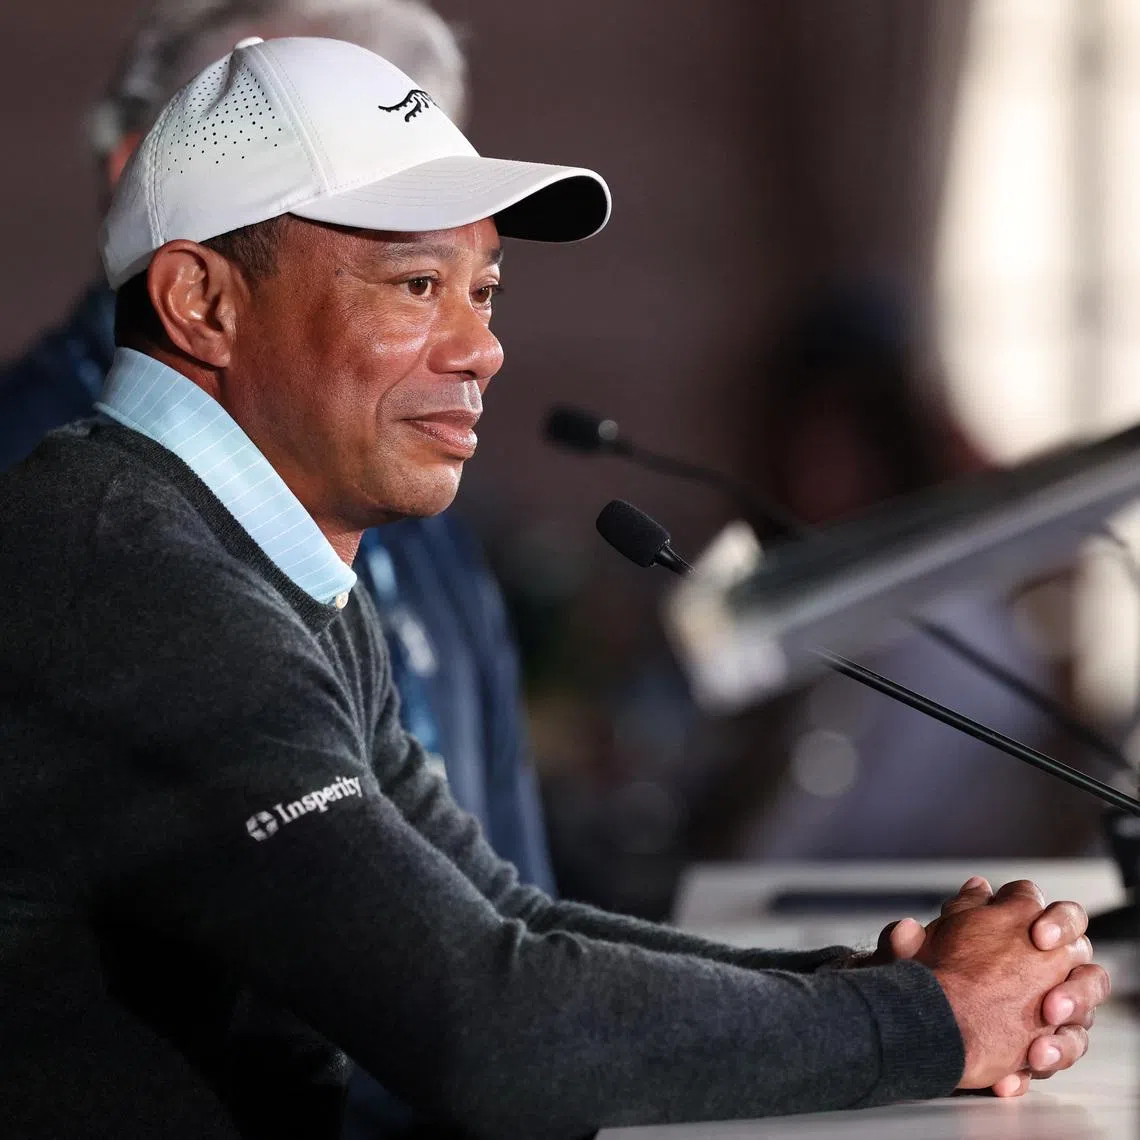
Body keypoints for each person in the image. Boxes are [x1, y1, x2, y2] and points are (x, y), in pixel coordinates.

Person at [0, 35, 1110, 1140]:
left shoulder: (241, 545)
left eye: (484, 289)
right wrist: (926, 1019)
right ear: (203, 301)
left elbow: (504, 918)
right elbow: (489, 1030)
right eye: (418, 284)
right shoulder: (136, 576)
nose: (481, 347)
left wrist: (881, 989)